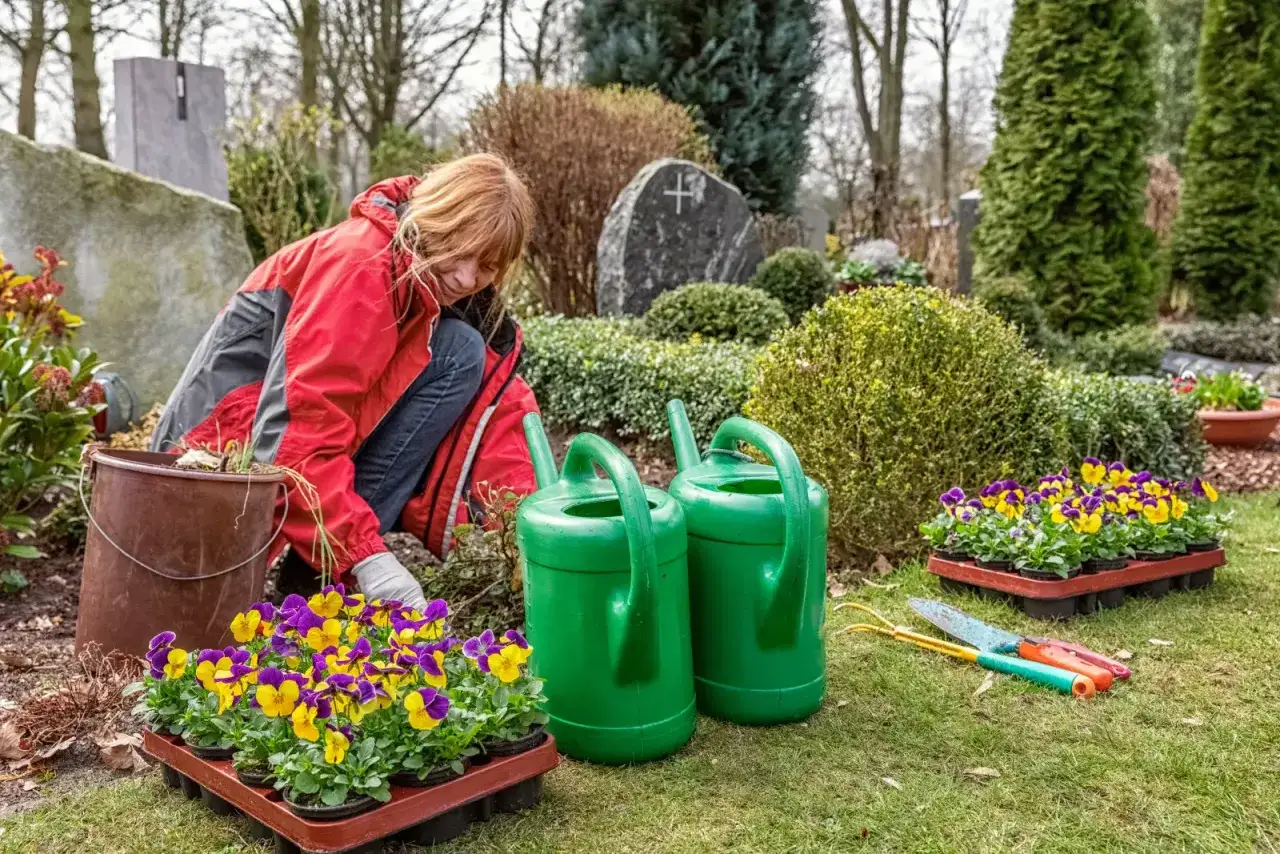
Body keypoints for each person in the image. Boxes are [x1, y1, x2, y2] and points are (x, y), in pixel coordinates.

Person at [149, 154, 541, 610]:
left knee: (460, 351)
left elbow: (502, 424)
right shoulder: (362, 266)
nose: (466, 277)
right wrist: (365, 557)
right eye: (460, 248)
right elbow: (295, 436)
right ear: (436, 215)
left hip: (266, 463)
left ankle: (319, 568)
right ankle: (320, 575)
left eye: (489, 266)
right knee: (457, 352)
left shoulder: (428, 283)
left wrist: (530, 541)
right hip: (202, 477)